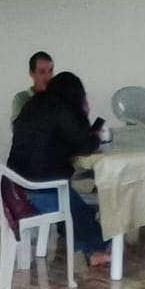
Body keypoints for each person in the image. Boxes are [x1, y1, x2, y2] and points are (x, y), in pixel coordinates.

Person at [7, 70, 110, 264]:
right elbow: (84, 146)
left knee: (76, 206)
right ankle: (98, 248)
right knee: (76, 210)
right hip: (40, 189)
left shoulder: (34, 103)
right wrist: (95, 135)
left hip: (15, 185)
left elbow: (54, 140)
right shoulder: (62, 110)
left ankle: (95, 247)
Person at [11, 50, 54, 122]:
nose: (48, 76)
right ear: (32, 73)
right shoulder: (22, 99)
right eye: (42, 72)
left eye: (50, 71)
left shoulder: (57, 98)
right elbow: (19, 128)